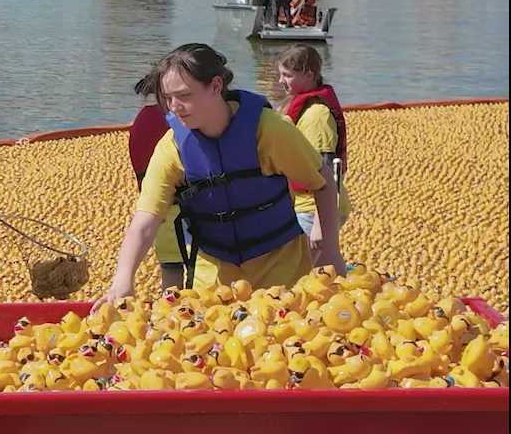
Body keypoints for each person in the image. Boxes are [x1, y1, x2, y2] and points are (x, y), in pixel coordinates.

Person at [94, 44, 345, 310]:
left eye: (184, 95)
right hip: (214, 284)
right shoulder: (172, 147)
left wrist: (329, 248)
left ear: (215, 86)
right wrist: (123, 278)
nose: (174, 107)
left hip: (281, 274)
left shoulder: (268, 130)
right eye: (168, 98)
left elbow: (323, 182)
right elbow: (146, 220)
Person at [276, 44, 352, 266]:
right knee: (313, 267)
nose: (281, 81)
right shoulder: (298, 104)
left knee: (315, 269)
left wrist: (321, 221)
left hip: (314, 207)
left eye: (287, 75)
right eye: (280, 74)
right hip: (303, 203)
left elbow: (328, 169)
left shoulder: (317, 116)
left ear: (309, 74)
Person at [128, 75, 188, 291]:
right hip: (186, 213)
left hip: (157, 214)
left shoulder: (143, 117)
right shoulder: (180, 120)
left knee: (170, 272)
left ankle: (168, 316)